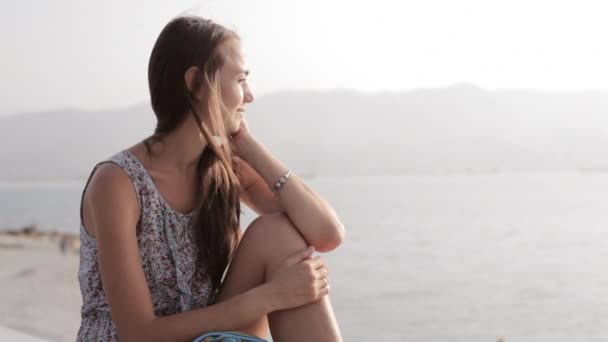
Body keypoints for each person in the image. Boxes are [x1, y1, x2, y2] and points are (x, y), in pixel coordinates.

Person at [76, 15, 345, 342]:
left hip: (207, 338)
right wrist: (273, 295)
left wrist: (250, 147)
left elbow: (327, 234)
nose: (250, 95)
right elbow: (139, 333)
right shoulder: (118, 183)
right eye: (241, 80)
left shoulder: (223, 168)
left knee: (277, 234)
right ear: (196, 83)